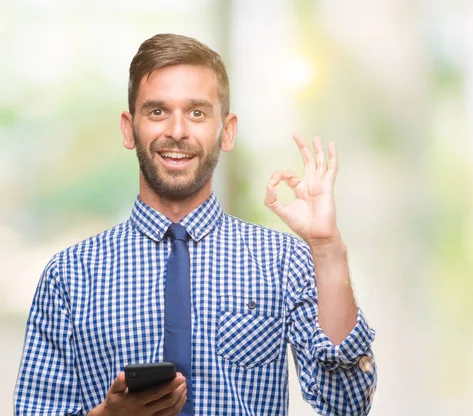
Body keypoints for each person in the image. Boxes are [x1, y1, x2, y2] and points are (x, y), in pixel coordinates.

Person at [14, 33, 377, 416]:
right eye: (157, 112)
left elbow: (347, 404)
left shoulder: (283, 261)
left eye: (197, 113)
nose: (177, 131)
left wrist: (326, 247)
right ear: (128, 127)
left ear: (228, 131)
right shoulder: (69, 275)